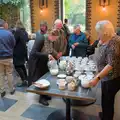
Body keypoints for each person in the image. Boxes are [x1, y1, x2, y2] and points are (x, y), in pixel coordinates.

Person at [89, 20, 120, 120]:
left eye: (98, 33)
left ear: (105, 32)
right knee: (105, 98)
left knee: (108, 101)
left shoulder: (114, 42)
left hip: (111, 78)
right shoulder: (108, 39)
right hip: (106, 77)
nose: (97, 36)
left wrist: (97, 78)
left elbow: (110, 65)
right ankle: (105, 114)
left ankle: (107, 117)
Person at [28, 30, 59, 106]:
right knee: (41, 80)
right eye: (55, 38)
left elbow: (49, 51)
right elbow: (34, 53)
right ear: (51, 35)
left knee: (46, 78)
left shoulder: (49, 40)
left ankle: (45, 94)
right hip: (36, 62)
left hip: (43, 61)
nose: (55, 40)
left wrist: (53, 56)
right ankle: (41, 98)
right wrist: (47, 56)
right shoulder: (41, 39)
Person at [0, 19, 16, 97]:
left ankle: (2, 91)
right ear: (3, 25)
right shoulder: (9, 33)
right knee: (9, 73)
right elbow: (13, 44)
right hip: (8, 57)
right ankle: (11, 89)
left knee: (1, 74)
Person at [13, 20, 28, 87]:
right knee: (22, 65)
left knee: (17, 66)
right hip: (24, 51)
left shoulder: (17, 31)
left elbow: (14, 42)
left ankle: (24, 80)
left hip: (17, 52)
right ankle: (26, 79)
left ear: (17, 25)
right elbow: (27, 40)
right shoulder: (25, 32)